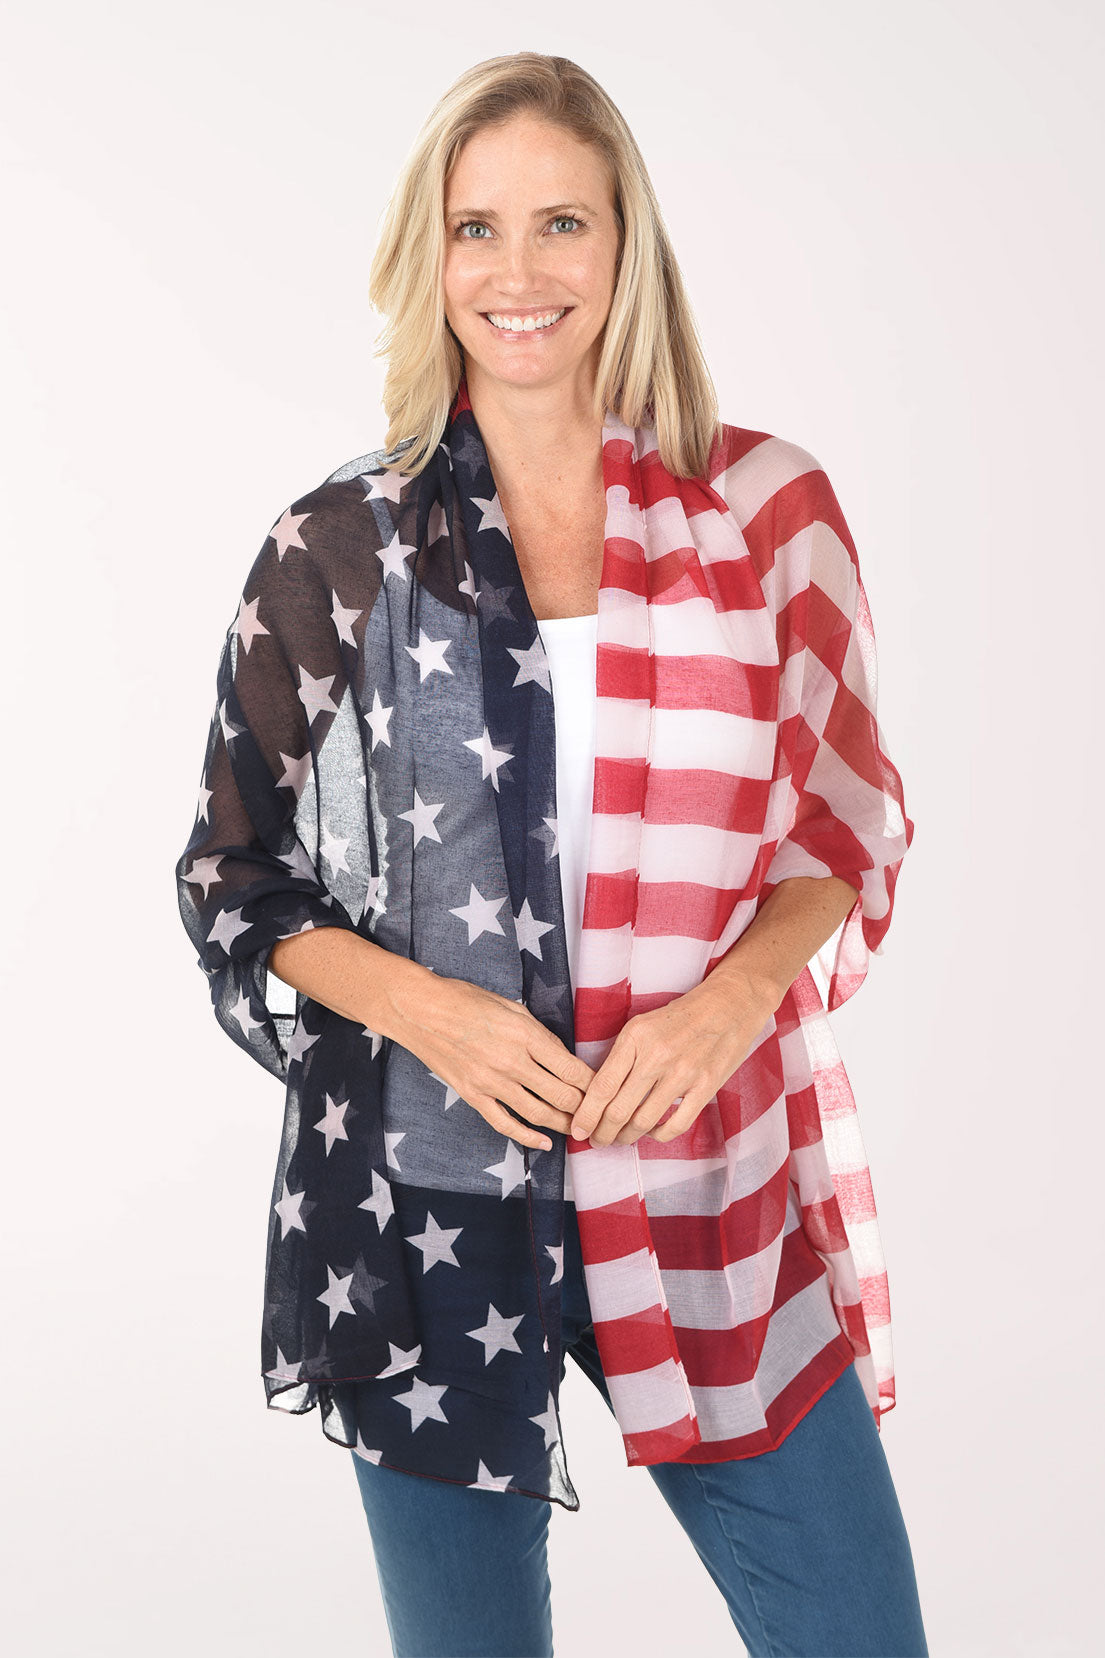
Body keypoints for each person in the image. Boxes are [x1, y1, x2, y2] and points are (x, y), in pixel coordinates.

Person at [175, 50, 929, 1658]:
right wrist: (433, 1011)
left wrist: (729, 1003)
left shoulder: (764, 509)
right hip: (436, 1201)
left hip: (705, 1185)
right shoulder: (344, 545)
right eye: (477, 228)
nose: (518, 275)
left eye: (561, 224)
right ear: (427, 257)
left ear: (623, 245)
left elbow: (839, 825)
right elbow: (234, 879)